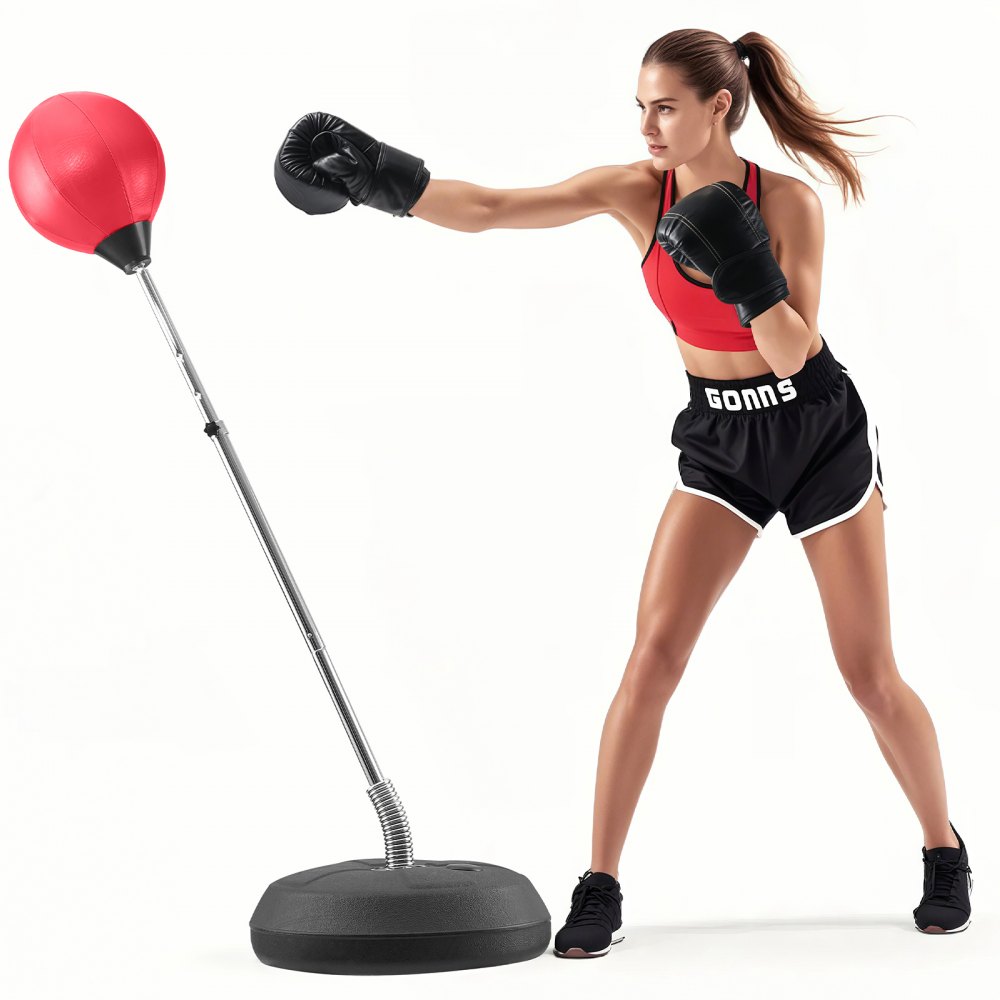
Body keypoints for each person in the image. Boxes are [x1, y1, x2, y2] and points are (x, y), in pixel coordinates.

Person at [273, 27, 974, 957]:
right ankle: (599, 882)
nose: (647, 125)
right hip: (720, 440)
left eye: (666, 107)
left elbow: (792, 353)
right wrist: (383, 180)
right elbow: (492, 208)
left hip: (817, 436)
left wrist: (743, 267)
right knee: (651, 661)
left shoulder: (789, 204)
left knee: (868, 674)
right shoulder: (637, 192)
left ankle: (944, 849)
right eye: (640, 106)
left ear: (719, 107)